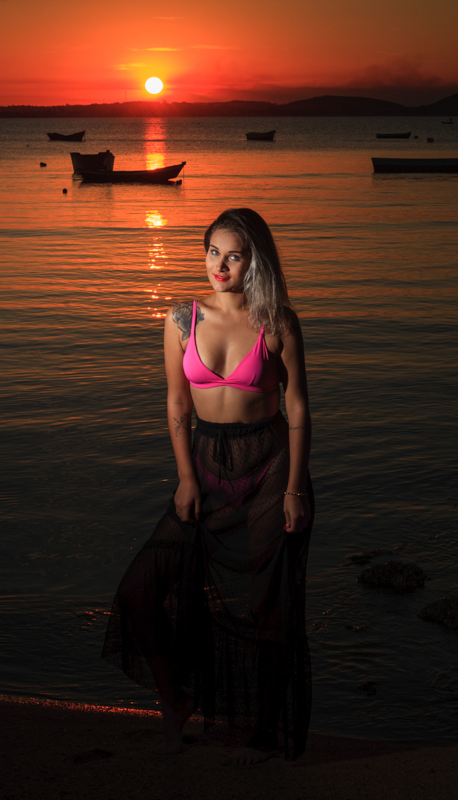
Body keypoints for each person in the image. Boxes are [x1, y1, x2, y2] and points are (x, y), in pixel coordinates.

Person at [102, 208, 313, 764]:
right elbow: (176, 404)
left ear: (254, 260)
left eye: (234, 255)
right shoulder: (179, 320)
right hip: (206, 469)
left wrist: (294, 489)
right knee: (139, 590)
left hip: (269, 467)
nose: (220, 265)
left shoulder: (278, 321)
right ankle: (176, 700)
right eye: (212, 252)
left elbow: (297, 407)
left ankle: (267, 731)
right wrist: (186, 478)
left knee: (271, 603)